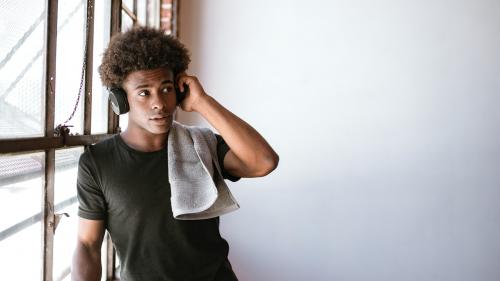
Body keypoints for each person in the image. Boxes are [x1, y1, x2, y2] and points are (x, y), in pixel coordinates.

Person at [71, 26, 279, 281]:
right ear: (121, 99)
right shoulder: (97, 162)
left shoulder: (202, 145)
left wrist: (202, 101)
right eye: (144, 92)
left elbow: (263, 162)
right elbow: (88, 246)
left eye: (167, 88)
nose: (159, 102)